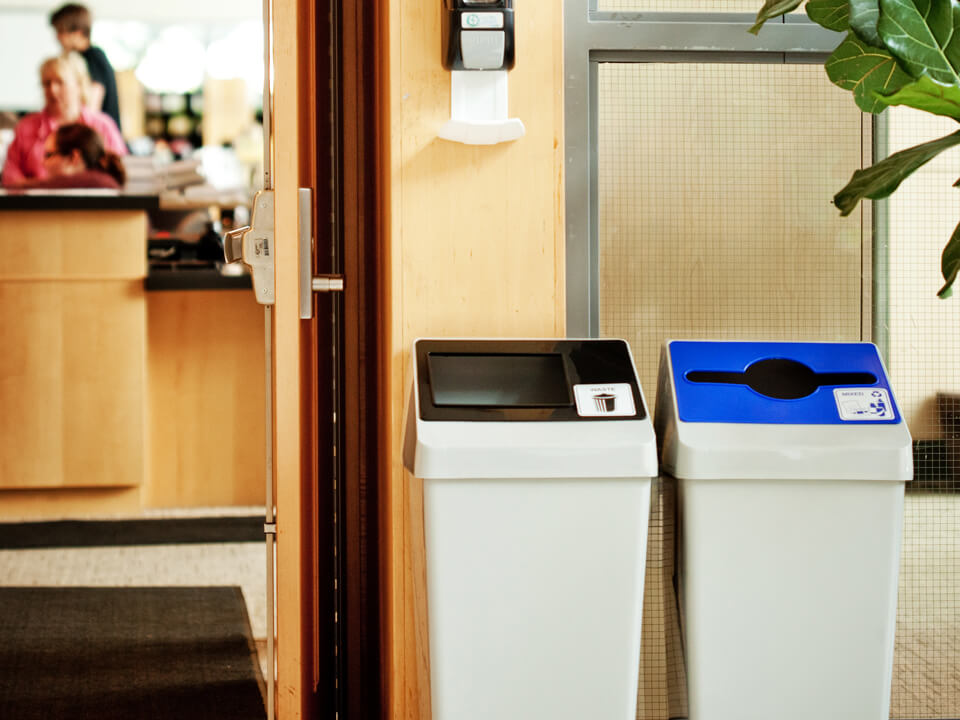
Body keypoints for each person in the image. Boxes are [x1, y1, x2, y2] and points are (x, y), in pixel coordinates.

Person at [1, 53, 126, 187]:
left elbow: (117, 174)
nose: (52, 90)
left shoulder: (103, 126)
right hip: (37, 207)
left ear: (79, 84)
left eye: (60, 82)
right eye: (46, 83)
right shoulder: (26, 127)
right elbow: (10, 179)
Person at [49, 3, 121, 131]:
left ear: (79, 32)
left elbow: (93, 104)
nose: (57, 37)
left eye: (61, 31)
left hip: (98, 136)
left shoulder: (92, 57)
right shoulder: (84, 57)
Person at [23, 123, 125, 189]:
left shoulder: (98, 184)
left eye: (48, 155)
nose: (42, 162)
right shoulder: (104, 182)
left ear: (74, 157)